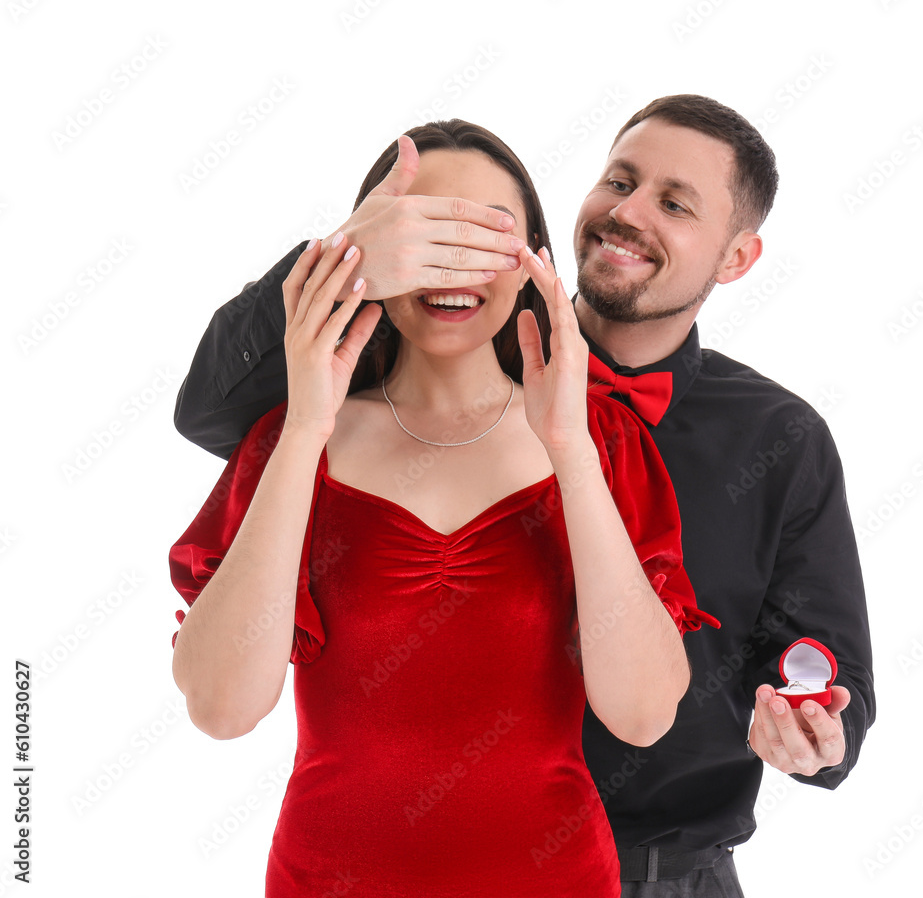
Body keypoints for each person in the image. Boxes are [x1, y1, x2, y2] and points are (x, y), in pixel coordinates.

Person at [173, 96, 875, 896]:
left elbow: (805, 663)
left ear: (736, 256)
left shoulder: (716, 439)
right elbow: (220, 702)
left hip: (652, 866)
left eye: (675, 204)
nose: (628, 212)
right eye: (620, 180)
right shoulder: (301, 432)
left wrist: (814, 729)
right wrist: (326, 319)